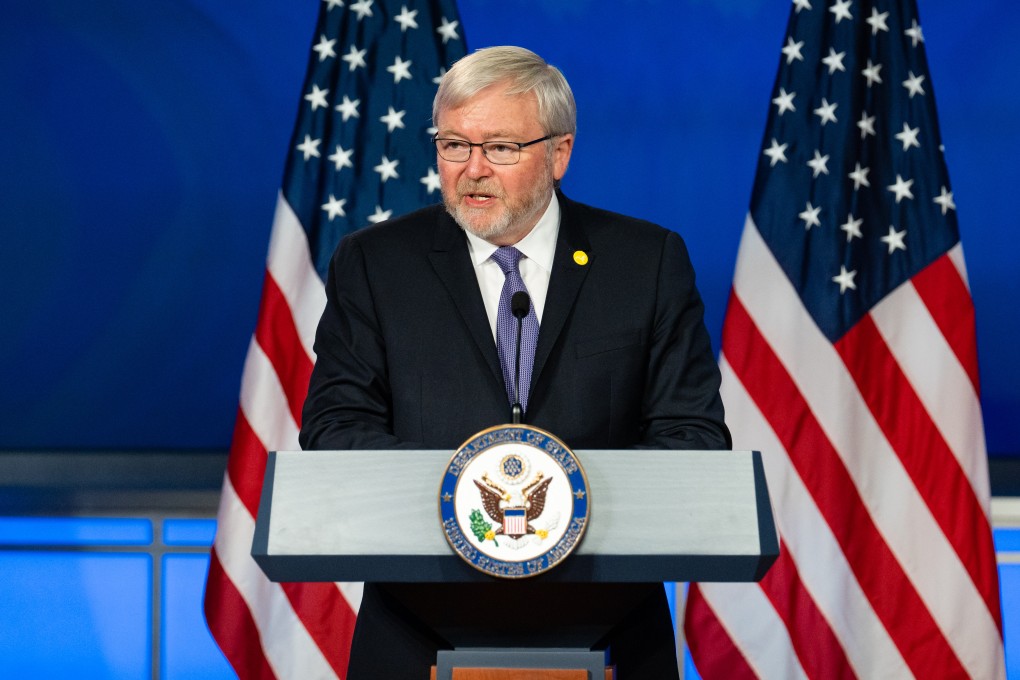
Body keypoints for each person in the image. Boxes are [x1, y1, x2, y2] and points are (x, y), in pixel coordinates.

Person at [300, 46, 730, 679]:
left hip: (609, 628)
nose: (473, 170)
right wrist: (470, 486)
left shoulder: (645, 263)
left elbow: (693, 437)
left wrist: (562, 498)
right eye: (453, 145)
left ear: (559, 153)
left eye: (500, 148)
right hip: (418, 631)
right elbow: (335, 429)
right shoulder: (375, 264)